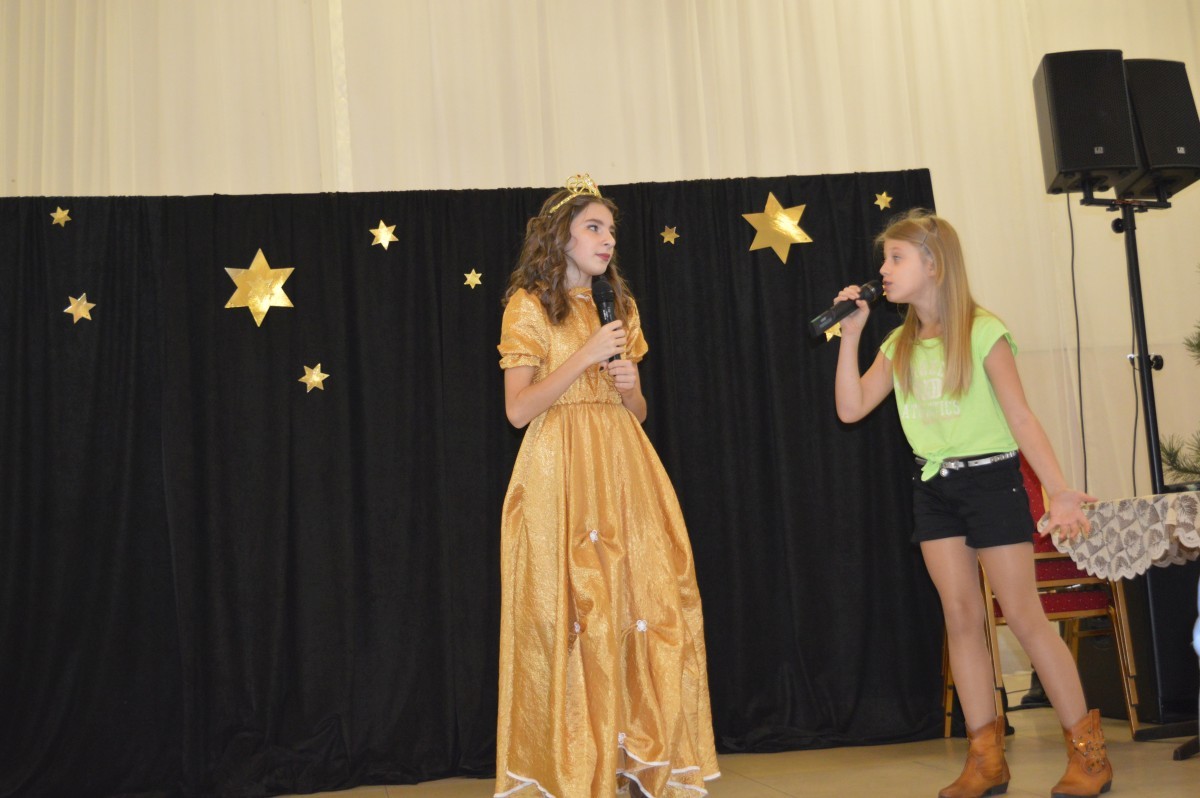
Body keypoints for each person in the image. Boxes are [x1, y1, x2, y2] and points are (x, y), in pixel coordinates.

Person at [831, 209, 1113, 798]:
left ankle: (1088, 756)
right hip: (934, 488)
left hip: (991, 482)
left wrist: (1058, 487)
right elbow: (851, 408)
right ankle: (986, 760)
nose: (883, 270)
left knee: (1025, 617)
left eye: (896, 258)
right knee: (961, 618)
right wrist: (851, 336)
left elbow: (1020, 416)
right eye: (884, 259)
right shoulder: (898, 343)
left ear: (934, 265)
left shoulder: (984, 332)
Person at [494, 174, 719, 797]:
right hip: (561, 469)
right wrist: (585, 356)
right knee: (574, 611)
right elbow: (518, 410)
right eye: (594, 227)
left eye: (612, 230)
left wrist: (630, 389)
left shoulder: (618, 305)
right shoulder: (529, 305)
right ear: (560, 236)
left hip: (622, 466)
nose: (608, 239)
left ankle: (634, 758)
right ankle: (575, 765)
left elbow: (638, 411)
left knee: (641, 606)